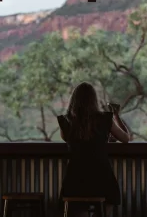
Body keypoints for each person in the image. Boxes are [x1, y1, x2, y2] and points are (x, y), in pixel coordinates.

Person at [57, 82, 131, 217]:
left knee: (78, 206)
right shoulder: (105, 119)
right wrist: (116, 115)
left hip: (75, 179)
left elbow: (68, 139)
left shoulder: (66, 121)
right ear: (94, 100)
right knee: (110, 196)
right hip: (101, 177)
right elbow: (125, 138)